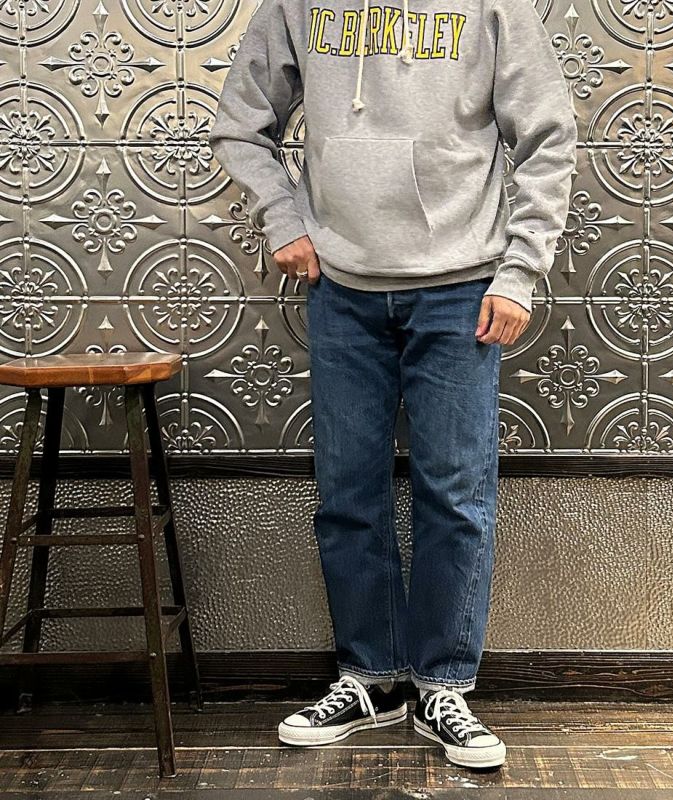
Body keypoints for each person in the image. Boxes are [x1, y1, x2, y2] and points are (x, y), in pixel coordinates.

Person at [208, 0, 577, 771]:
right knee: (347, 494)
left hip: (463, 287)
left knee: (455, 494)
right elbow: (241, 121)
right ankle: (371, 678)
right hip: (342, 288)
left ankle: (444, 685)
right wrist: (283, 220)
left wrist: (520, 272)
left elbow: (548, 133)